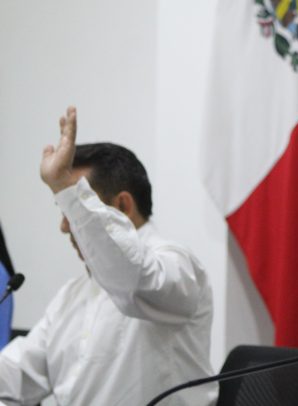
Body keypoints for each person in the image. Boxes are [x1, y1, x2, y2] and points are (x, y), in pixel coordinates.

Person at [0, 107, 216, 405]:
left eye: (76, 208)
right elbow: (19, 372)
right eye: (65, 210)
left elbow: (133, 282)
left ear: (123, 206)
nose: (64, 226)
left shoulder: (176, 265)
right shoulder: (73, 294)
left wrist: (64, 186)